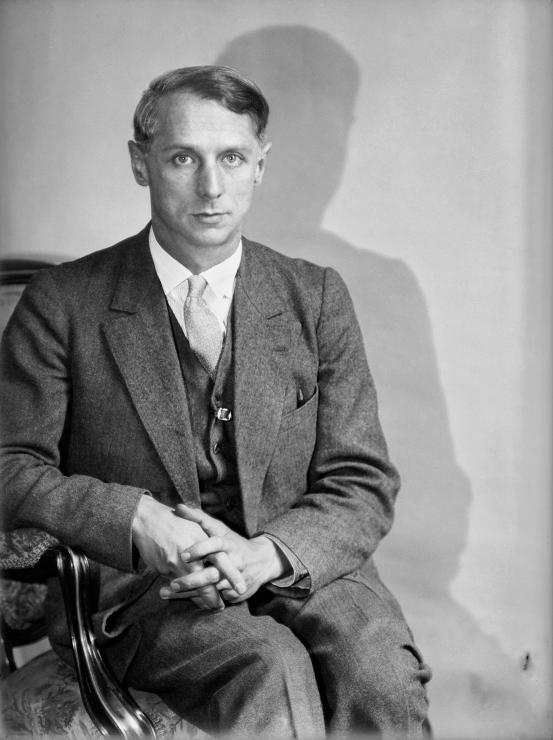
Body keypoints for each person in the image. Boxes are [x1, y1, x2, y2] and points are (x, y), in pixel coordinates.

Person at [0, 65, 431, 738]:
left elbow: (361, 480)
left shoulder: (315, 297)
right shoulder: (63, 302)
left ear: (260, 165)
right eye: (182, 158)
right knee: (269, 667)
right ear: (140, 163)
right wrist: (137, 520)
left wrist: (267, 556)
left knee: (379, 674)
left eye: (231, 158)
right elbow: (9, 467)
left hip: (295, 564)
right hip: (145, 591)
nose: (211, 187)